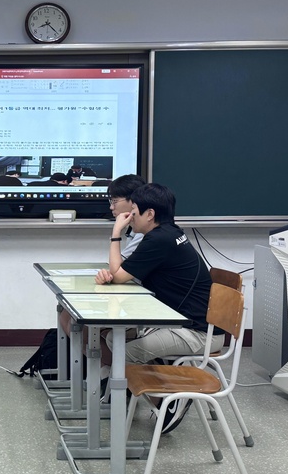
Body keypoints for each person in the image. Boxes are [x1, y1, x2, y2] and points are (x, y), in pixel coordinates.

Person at [95, 183, 222, 433]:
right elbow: (122, 273)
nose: (130, 218)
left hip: (197, 333)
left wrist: (116, 232)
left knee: (124, 352)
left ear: (150, 214)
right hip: (182, 322)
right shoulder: (168, 233)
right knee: (113, 339)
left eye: (133, 212)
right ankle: (159, 388)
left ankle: (168, 402)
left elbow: (118, 275)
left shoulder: (158, 240)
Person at [57, 174, 146, 373]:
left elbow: (117, 272)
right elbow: (119, 269)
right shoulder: (134, 231)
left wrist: (115, 233)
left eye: (115, 201)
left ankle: (122, 375)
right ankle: (109, 372)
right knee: (68, 315)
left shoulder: (147, 235)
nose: (111, 208)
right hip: (133, 296)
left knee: (82, 325)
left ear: (134, 202)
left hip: (147, 305)